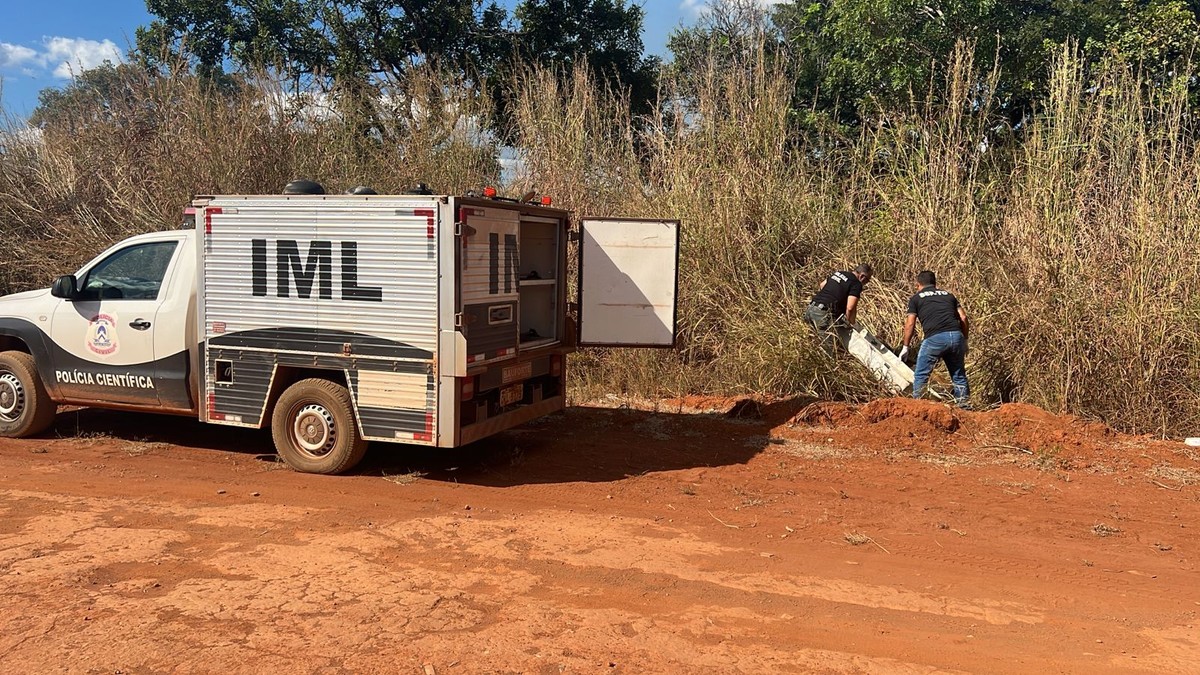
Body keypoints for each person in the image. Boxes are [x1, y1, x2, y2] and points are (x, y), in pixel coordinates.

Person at [899, 270, 970, 406]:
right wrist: (965, 340)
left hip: (935, 338)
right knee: (959, 376)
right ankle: (965, 409)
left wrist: (905, 346)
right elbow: (963, 317)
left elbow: (910, 323)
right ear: (935, 283)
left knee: (921, 375)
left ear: (918, 285)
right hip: (956, 336)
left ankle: (918, 407)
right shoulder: (949, 295)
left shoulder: (916, 298)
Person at [806, 264, 873, 354]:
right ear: (862, 276)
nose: (866, 283)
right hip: (822, 315)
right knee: (829, 352)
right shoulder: (856, 283)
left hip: (810, 308)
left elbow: (822, 285)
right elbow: (850, 307)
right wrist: (852, 323)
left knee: (812, 344)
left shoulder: (839, 273)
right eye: (867, 280)